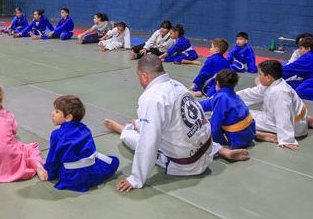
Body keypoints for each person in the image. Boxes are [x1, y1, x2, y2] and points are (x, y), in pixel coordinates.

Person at [103, 55, 249, 192]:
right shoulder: (177, 85)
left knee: (134, 139)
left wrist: (135, 178)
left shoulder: (151, 97)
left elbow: (148, 143)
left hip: (188, 165)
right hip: (207, 149)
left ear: (144, 76)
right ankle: (222, 151)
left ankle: (124, 129)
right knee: (186, 127)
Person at [0, 80, 47, 183]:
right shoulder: (8, 115)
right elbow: (13, 132)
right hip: (11, 164)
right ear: (1, 98)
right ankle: (37, 164)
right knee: (30, 147)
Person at [237, 60, 313, 150]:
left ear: (268, 77)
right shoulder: (274, 83)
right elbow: (254, 93)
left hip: (294, 127)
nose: (259, 77)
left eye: (260, 74)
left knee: (240, 116)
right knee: (244, 112)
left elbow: (283, 116)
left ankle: (302, 123)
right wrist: (233, 96)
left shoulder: (280, 92)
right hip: (298, 117)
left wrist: (286, 140)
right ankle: (306, 120)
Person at [44, 95, 119, 192]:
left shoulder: (57, 135)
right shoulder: (85, 129)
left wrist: (49, 173)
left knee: (51, 165)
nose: (52, 113)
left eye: (57, 111)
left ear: (68, 117)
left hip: (72, 178)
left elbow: (53, 159)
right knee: (113, 161)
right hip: (91, 173)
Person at [199, 69, 256, 149]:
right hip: (250, 133)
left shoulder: (222, 97)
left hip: (237, 139)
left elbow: (215, 125)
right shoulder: (231, 93)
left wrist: (208, 141)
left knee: (202, 126)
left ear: (217, 83)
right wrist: (193, 104)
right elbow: (209, 103)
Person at [282, 36, 313, 101]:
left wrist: (273, 74)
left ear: (308, 48)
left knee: (300, 90)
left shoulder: (308, 57)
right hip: (312, 80)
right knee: (285, 86)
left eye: (301, 48)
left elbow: (290, 69)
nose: (299, 51)